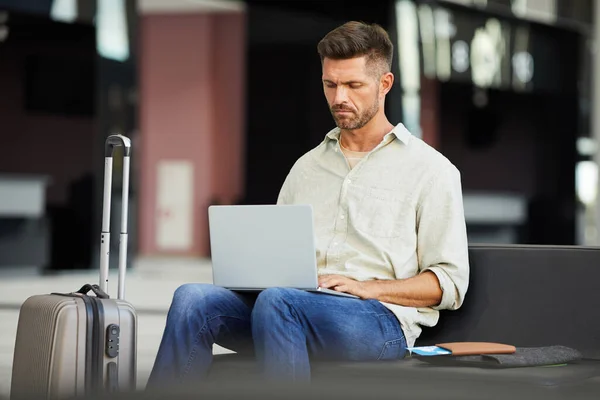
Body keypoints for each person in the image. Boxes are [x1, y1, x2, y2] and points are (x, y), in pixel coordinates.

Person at [147, 20, 469, 387]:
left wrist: (369, 287)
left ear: (385, 84)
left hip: (379, 321)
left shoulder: (431, 170)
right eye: (330, 84)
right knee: (192, 299)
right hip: (289, 306)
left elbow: (450, 285)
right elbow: (277, 260)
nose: (339, 98)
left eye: (353, 85)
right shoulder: (307, 167)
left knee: (278, 303)